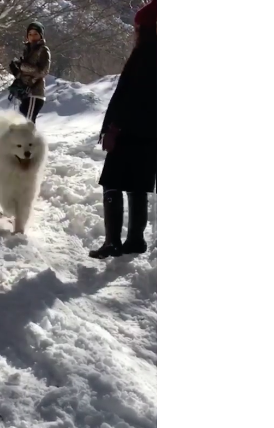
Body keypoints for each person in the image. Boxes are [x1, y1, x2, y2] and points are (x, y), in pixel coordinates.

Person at [89, 0, 157, 259]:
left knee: (112, 183)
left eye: (137, 27)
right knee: (138, 186)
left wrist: (114, 126)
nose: (134, 32)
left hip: (130, 132)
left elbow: (131, 97)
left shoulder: (144, 55)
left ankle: (112, 242)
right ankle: (136, 240)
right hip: (150, 135)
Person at [8, 22, 51, 123]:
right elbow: (25, 73)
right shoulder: (28, 50)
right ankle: (24, 138)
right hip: (26, 92)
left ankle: (29, 139)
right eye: (30, 34)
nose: (32, 37)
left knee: (28, 122)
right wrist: (16, 71)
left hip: (35, 92)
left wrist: (22, 66)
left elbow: (43, 71)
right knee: (23, 120)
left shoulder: (43, 49)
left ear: (41, 35)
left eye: (35, 34)